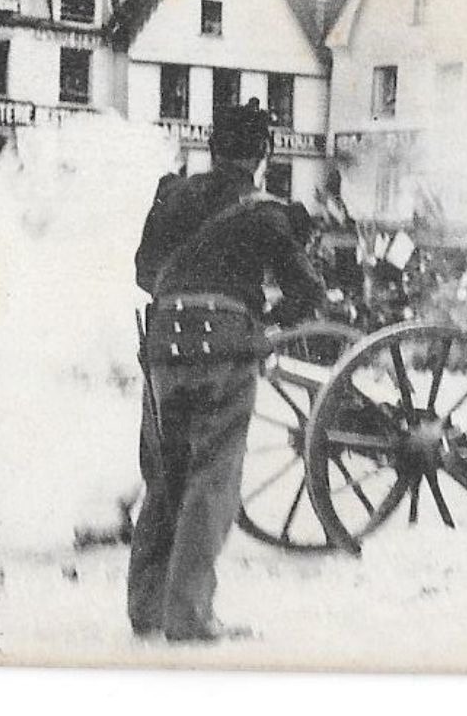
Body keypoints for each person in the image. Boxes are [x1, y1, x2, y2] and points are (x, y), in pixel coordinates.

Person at [128, 100, 328, 643]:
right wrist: (262, 318)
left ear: (213, 148)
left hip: (163, 349)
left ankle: (146, 609)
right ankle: (189, 616)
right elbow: (310, 293)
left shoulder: (172, 195)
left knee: (164, 479)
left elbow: (146, 273)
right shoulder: (265, 212)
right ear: (262, 153)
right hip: (225, 354)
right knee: (211, 480)